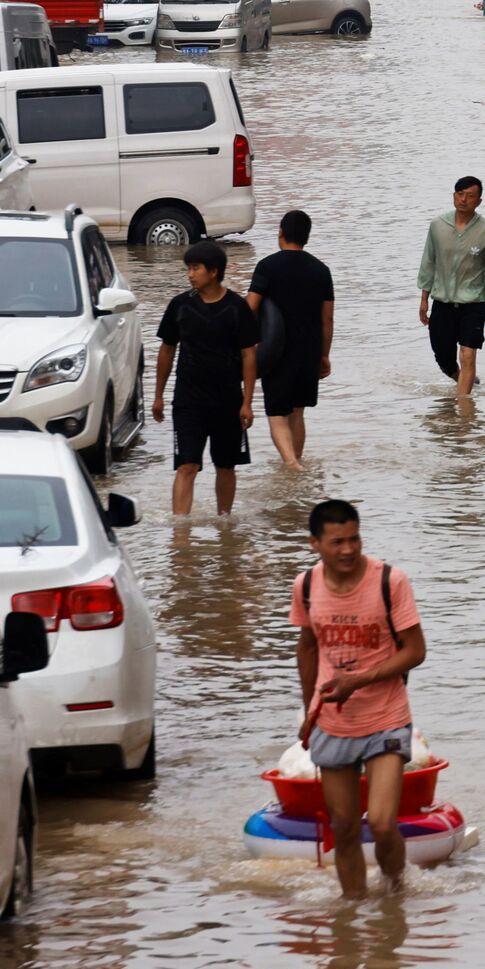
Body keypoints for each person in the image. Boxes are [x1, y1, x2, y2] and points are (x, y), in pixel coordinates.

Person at [293, 499, 428, 898]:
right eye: (337, 542)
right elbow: (307, 649)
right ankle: (352, 914)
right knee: (345, 827)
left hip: (386, 716)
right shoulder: (305, 587)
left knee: (384, 822)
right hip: (333, 723)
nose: (348, 550)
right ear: (314, 543)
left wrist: (360, 680)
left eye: (354, 539)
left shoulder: (390, 581)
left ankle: (395, 893)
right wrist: (308, 711)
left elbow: (415, 650)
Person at [153, 240, 256, 514]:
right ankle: (180, 533)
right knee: (187, 465)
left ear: (214, 271)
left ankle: (225, 525)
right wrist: (158, 395)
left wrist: (247, 402)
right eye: (188, 268)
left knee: (226, 465)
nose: (190, 274)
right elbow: (166, 350)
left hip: (228, 401)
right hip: (188, 400)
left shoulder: (237, 308)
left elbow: (249, 356)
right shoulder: (180, 306)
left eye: (195, 268)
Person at [245, 210, 334, 470]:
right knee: (297, 411)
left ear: (280, 232)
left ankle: (291, 463)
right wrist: (324, 355)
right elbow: (327, 319)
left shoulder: (267, 266)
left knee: (276, 413)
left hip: (276, 351)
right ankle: (297, 461)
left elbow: (251, 306)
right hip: (309, 350)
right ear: (306, 237)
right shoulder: (321, 270)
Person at [417, 176, 485, 397]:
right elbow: (428, 262)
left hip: (473, 303)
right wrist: (423, 299)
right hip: (442, 302)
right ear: (453, 196)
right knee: (444, 358)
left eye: (470, 196)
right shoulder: (438, 226)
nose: (463, 199)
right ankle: (464, 382)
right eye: (459, 194)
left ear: (479, 201)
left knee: (467, 355)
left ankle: (464, 411)